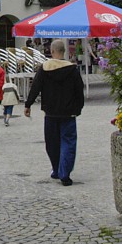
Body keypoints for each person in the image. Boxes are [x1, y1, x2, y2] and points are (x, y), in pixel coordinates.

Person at [24, 39, 86, 186]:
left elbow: (36, 87)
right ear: (63, 51)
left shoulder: (45, 68)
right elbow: (79, 91)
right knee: (68, 142)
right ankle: (65, 173)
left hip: (51, 112)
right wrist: (78, 108)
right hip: (68, 113)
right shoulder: (72, 69)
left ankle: (56, 169)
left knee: (52, 143)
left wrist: (28, 105)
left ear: (51, 51)